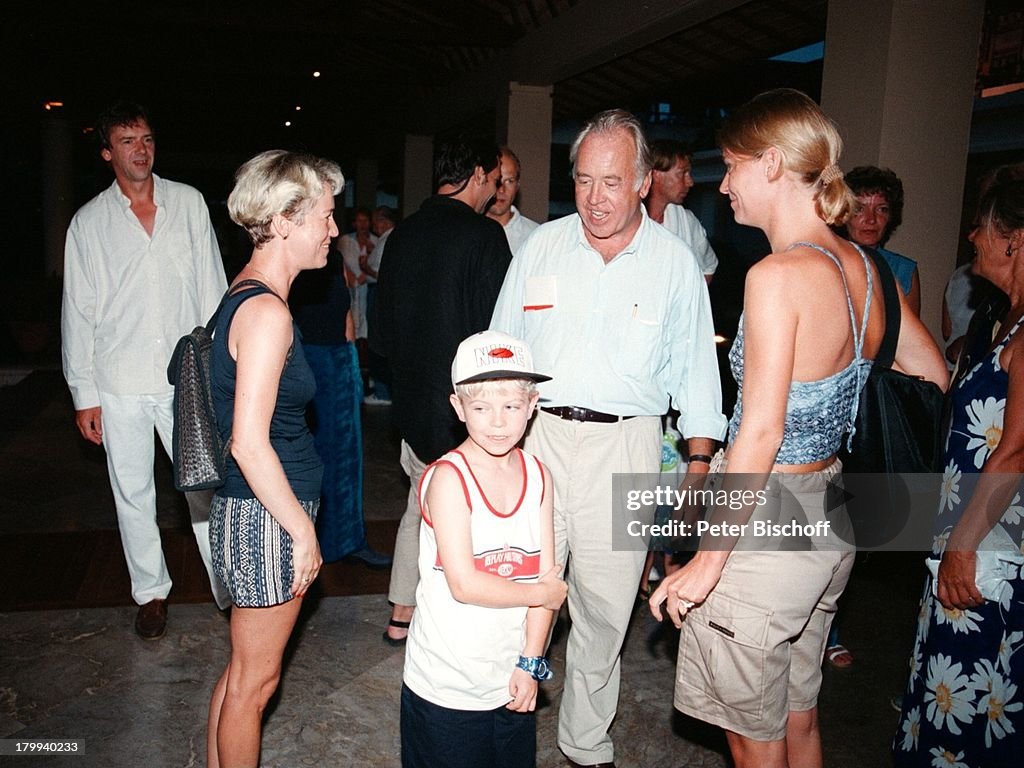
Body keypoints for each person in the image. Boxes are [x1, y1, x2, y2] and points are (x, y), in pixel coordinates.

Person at [650, 89, 947, 768]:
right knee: (798, 721)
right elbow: (933, 380)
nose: (721, 185)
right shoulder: (868, 269)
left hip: (766, 527)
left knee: (754, 746)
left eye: (730, 166)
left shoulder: (778, 275)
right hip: (833, 514)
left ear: (774, 164)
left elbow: (759, 433)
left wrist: (708, 562)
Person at [491, 108, 727, 768]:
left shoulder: (674, 265)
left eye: (613, 183)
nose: (596, 199)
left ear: (646, 180)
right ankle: (497, 729)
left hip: (627, 446)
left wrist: (697, 476)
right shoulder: (542, 246)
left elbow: (696, 377)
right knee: (519, 594)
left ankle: (584, 745)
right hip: (535, 441)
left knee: (603, 610)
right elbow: (501, 345)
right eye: (584, 181)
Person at [61, 100, 230, 640]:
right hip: (119, 379)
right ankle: (151, 593)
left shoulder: (189, 202)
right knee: (133, 492)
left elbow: (212, 287)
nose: (141, 150)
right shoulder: (89, 223)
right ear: (109, 152)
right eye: (129, 141)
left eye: (148, 139)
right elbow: (78, 309)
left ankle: (227, 590)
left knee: (204, 486)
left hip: (184, 378)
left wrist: (223, 367)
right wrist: (83, 392)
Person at [204, 150, 343, 768]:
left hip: (253, 509)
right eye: (326, 216)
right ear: (285, 221)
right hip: (267, 514)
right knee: (255, 687)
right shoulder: (267, 313)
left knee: (243, 676)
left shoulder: (244, 292)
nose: (334, 231)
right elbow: (248, 442)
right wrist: (303, 529)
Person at [892, 164, 1024, 768]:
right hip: (968, 531)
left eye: (980, 227)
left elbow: (1015, 450)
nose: (971, 237)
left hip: (990, 546)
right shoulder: (1004, 323)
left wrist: (964, 546)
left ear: (1013, 239)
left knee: (968, 699)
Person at [401, 329, 567, 768]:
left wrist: (531, 662)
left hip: (511, 679)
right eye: (481, 407)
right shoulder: (449, 479)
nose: (498, 422)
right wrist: (540, 594)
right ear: (458, 408)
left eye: (512, 406)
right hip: (445, 688)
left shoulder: (539, 476)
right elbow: (465, 583)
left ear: (532, 407)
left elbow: (546, 575)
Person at [372, 137, 512, 645]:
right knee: (468, 518)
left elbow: (381, 335)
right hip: (465, 410)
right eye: (495, 181)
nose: (496, 192)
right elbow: (499, 335)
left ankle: (401, 615)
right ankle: (454, 624)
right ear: (477, 175)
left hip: (411, 406)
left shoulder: (402, 235)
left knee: (420, 503)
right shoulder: (484, 236)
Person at [290, 228, 391, 568]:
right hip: (306, 361)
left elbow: (344, 307)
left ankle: (348, 539)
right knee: (313, 459)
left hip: (338, 362)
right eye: (324, 215)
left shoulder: (329, 255)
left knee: (347, 460)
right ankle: (310, 544)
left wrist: (349, 361)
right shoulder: (290, 256)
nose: (331, 225)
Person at [842, 165, 922, 316]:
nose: (871, 219)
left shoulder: (903, 269)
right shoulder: (826, 260)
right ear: (843, 212)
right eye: (859, 209)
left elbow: (909, 335)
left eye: (881, 209)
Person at [643, 137, 719, 282]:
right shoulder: (627, 219)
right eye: (682, 173)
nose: (690, 182)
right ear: (656, 175)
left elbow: (708, 268)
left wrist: (690, 303)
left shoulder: (687, 222)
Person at [362, 205, 397, 406]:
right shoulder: (384, 240)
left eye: (375, 221)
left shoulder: (387, 239)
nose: (373, 225)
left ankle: (383, 392)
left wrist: (365, 266)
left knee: (376, 336)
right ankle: (381, 387)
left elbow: (382, 274)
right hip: (376, 290)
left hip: (377, 290)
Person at [338, 205, 378, 372]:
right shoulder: (345, 240)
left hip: (369, 289)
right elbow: (341, 261)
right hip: (351, 290)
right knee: (352, 325)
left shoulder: (376, 241)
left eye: (365, 221)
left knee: (367, 328)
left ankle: (367, 367)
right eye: (359, 221)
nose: (363, 224)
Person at [486, 146, 540, 255]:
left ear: (517, 185)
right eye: (497, 181)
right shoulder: (467, 231)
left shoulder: (536, 235)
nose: (501, 190)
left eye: (509, 181)